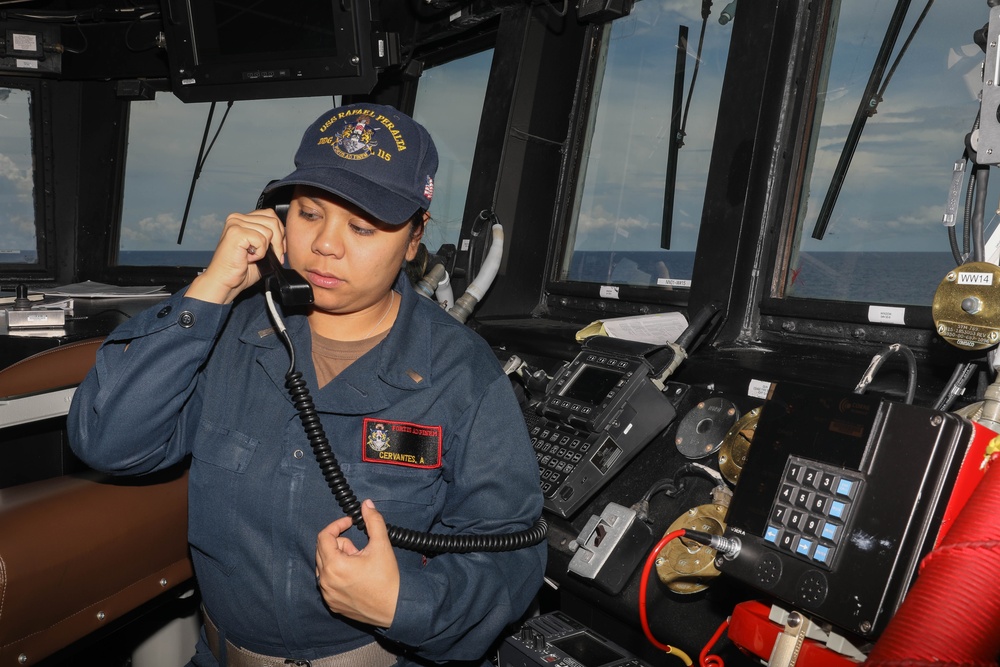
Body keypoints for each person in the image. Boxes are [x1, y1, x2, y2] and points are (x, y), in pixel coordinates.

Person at [68, 103, 547, 666]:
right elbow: (109, 442)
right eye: (309, 214)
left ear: (414, 240)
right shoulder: (228, 331)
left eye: (362, 227)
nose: (326, 245)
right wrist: (210, 289)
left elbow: (510, 548)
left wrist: (404, 603)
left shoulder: (461, 372)